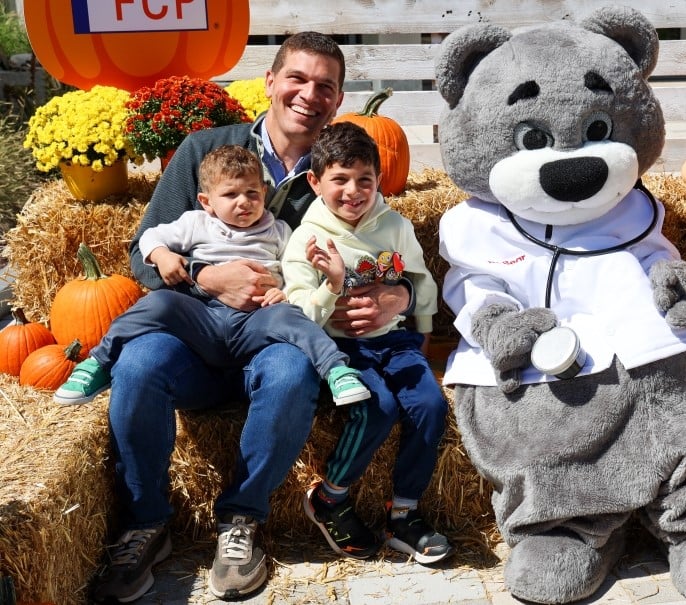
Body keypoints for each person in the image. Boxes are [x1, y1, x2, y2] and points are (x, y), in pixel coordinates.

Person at [89, 33, 413, 603]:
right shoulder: (204, 151)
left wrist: (401, 298)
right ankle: (146, 523)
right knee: (138, 363)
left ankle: (241, 520)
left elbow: (389, 253)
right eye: (298, 79)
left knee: (291, 372)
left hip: (273, 336)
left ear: (337, 101)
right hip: (194, 333)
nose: (309, 94)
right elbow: (143, 249)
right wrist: (202, 275)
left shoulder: (341, 172)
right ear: (269, 82)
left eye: (325, 87)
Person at [53, 144, 371, 407]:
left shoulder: (279, 231)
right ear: (207, 202)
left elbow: (295, 269)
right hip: (202, 313)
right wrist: (162, 255)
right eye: (231, 195)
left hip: (256, 318)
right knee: (159, 302)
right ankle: (99, 362)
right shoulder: (196, 223)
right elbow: (149, 238)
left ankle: (337, 371)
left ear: (263, 191)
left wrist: (284, 291)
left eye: (252, 193)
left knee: (291, 317)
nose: (244, 202)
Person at [282, 122, 454, 565]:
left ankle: (404, 514)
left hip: (395, 342)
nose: (354, 191)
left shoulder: (394, 225)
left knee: (431, 406)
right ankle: (330, 496)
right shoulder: (306, 239)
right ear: (315, 182)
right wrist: (333, 286)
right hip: (339, 351)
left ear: (379, 178)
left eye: (365, 179)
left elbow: (418, 279)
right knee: (377, 407)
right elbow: (298, 312)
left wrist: (419, 328)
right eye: (339, 179)